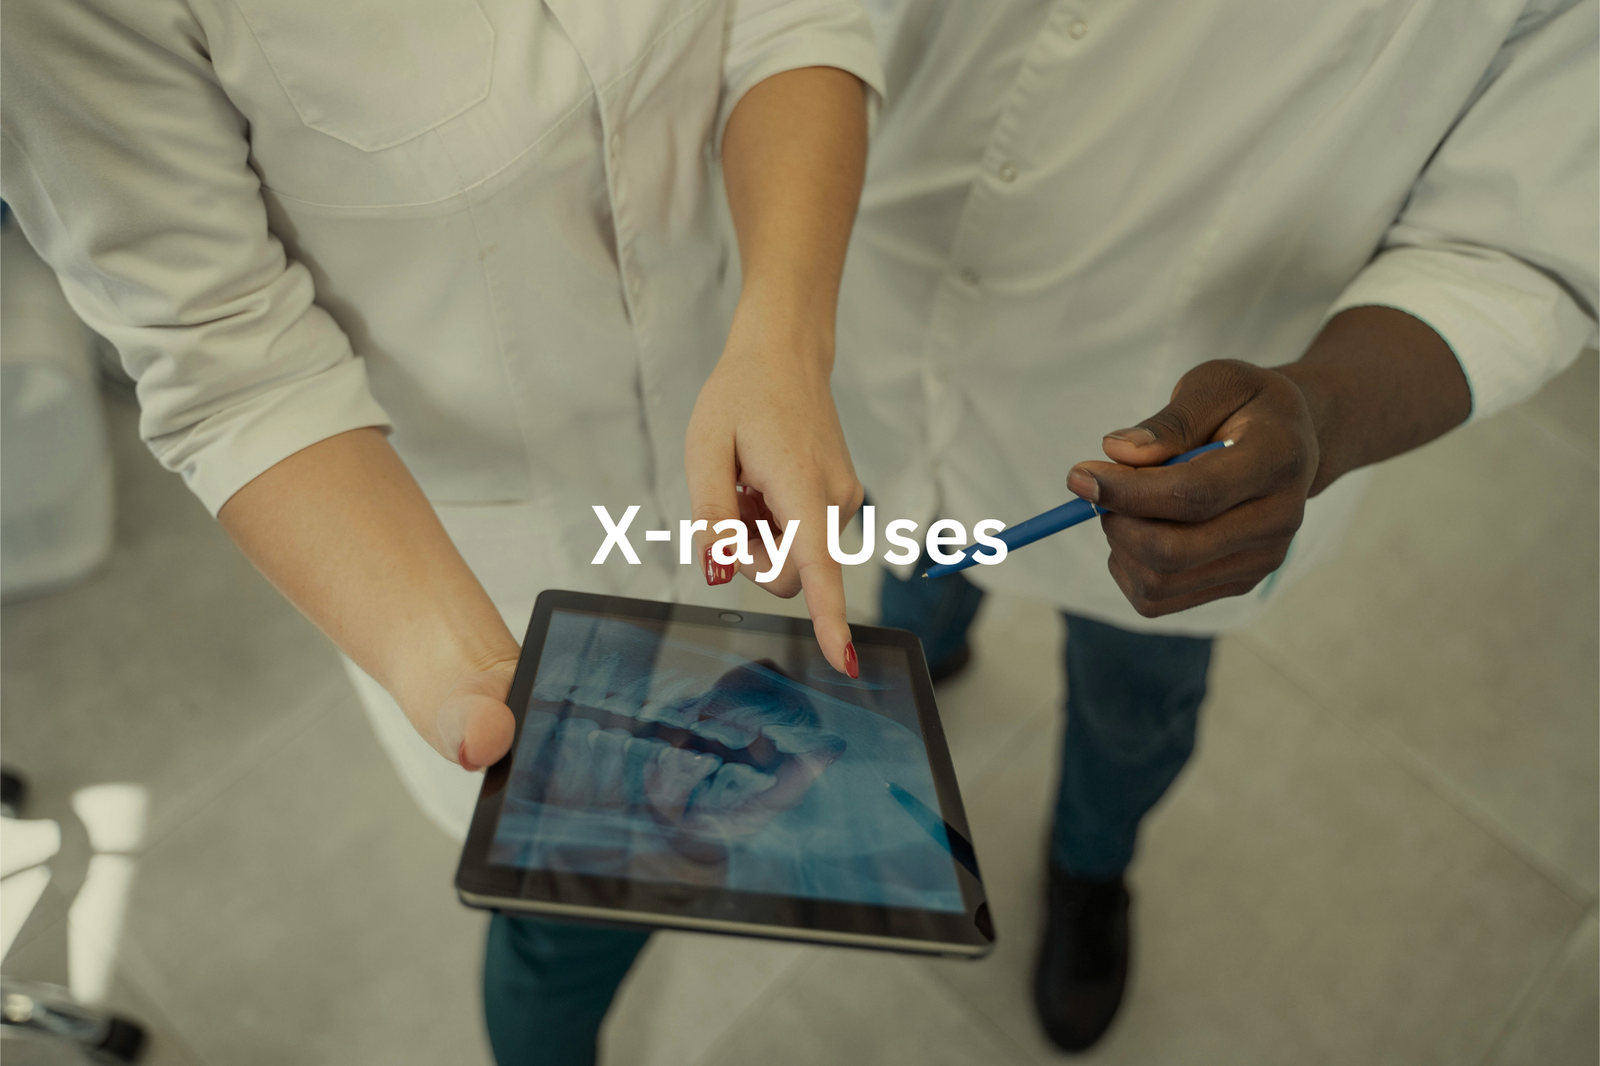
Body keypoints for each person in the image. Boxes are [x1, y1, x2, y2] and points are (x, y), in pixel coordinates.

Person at [2, 2, 884, 1062]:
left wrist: (781, 336)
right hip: (462, 558)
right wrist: (458, 666)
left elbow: (792, 19)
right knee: (570, 917)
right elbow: (226, 357)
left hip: (746, 427)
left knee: (744, 784)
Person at [834, 0, 1597, 1052]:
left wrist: (1320, 416)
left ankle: (1089, 867)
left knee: (1131, 700)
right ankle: (929, 652)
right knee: (914, 558)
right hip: (887, 303)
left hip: (1184, 429)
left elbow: (1517, 243)